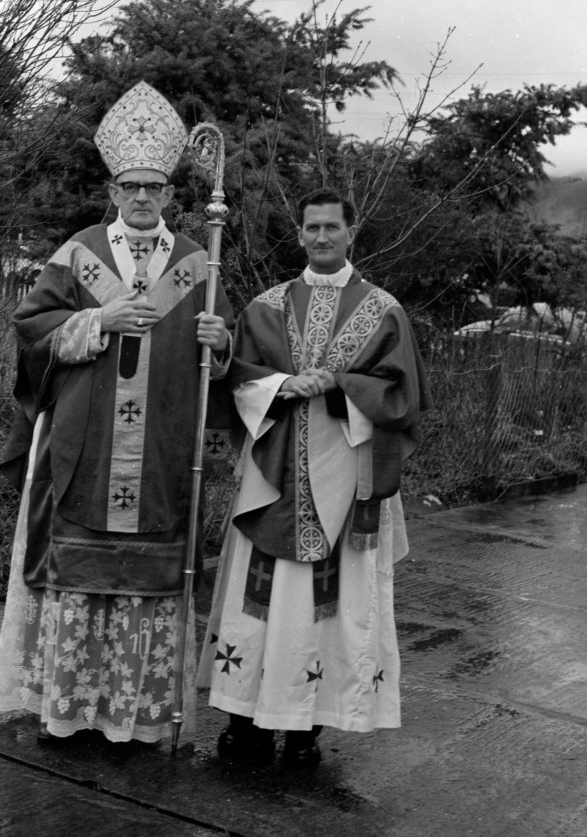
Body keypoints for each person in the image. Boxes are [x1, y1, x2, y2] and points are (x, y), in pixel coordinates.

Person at [0, 81, 233, 744]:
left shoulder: (195, 263)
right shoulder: (78, 253)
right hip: (85, 445)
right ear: (113, 191)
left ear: (170, 195)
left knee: (147, 582)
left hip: (160, 450)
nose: (142, 197)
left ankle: (131, 715)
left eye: (153, 187)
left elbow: (225, 356)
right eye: (130, 186)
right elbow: (32, 325)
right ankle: (67, 712)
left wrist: (223, 342)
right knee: (78, 576)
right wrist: (101, 317)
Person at [198, 187, 430, 767]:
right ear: (299, 234)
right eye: (311, 228)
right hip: (271, 474)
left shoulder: (384, 310)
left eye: (332, 227)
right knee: (260, 598)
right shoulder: (266, 307)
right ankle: (245, 719)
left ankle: (308, 726)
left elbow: (404, 395)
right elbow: (234, 381)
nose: (321, 237)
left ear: (351, 233)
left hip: (346, 477)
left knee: (331, 603)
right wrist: (279, 385)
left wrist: (339, 384)